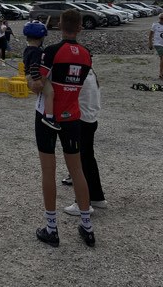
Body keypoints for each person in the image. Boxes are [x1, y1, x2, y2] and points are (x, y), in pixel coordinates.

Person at [29, 9, 95, 248]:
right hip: (72, 117)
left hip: (47, 117)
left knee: (48, 171)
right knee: (77, 170)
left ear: (59, 26)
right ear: (80, 28)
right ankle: (87, 226)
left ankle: (51, 228)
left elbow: (37, 85)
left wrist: (31, 78)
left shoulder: (51, 51)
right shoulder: (86, 55)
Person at [63, 68, 107, 215]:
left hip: (81, 121)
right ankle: (97, 197)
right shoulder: (91, 73)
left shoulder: (80, 75)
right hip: (91, 120)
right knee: (88, 159)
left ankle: (82, 203)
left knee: (80, 163)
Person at [22, 21, 59, 131]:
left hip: (28, 76)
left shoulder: (27, 50)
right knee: (50, 93)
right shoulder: (37, 51)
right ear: (41, 38)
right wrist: (37, 80)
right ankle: (49, 117)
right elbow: (34, 66)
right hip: (35, 77)